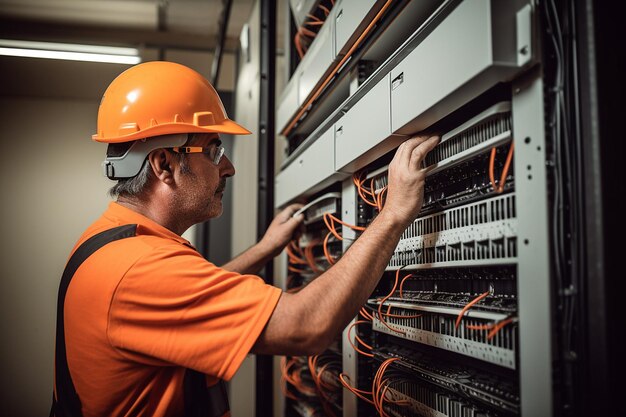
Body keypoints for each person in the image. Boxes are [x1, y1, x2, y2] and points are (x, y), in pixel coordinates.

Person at [53, 61, 439, 417]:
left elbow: (188, 301)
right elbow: (306, 326)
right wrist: (393, 214)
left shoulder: (113, 244)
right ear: (165, 165)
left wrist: (265, 249)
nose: (229, 167)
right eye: (214, 150)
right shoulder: (139, 269)